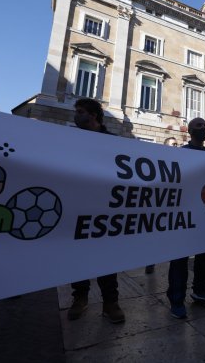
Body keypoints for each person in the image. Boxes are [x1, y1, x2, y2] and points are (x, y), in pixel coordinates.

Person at [67, 98, 125, 323]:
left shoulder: (113, 142)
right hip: (78, 206)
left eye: (80, 112)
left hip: (105, 209)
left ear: (93, 115)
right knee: (78, 256)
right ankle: (79, 297)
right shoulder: (69, 139)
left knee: (106, 258)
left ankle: (110, 302)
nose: (76, 116)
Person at [166, 118, 205, 319]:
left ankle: (201, 291)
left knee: (204, 258)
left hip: (204, 215)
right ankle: (177, 299)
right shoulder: (180, 154)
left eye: (204, 125)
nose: (202, 128)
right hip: (183, 214)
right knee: (180, 258)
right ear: (189, 130)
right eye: (198, 125)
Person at [145, 136, 179, 275]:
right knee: (154, 236)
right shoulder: (157, 160)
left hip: (174, 206)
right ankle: (150, 261)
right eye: (173, 144)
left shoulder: (181, 161)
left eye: (177, 144)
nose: (176, 146)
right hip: (158, 204)